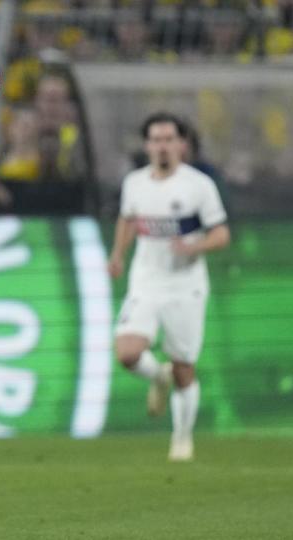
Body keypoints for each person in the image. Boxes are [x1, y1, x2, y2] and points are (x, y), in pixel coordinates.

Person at [108, 113, 231, 462]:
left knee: (184, 368)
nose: (162, 146)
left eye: (169, 139)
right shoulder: (135, 183)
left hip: (185, 286)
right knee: (128, 353)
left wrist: (195, 247)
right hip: (146, 281)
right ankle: (156, 377)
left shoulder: (198, 186)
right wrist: (117, 254)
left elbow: (221, 234)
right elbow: (128, 219)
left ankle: (181, 438)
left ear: (181, 144)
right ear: (148, 145)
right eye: (156, 139)